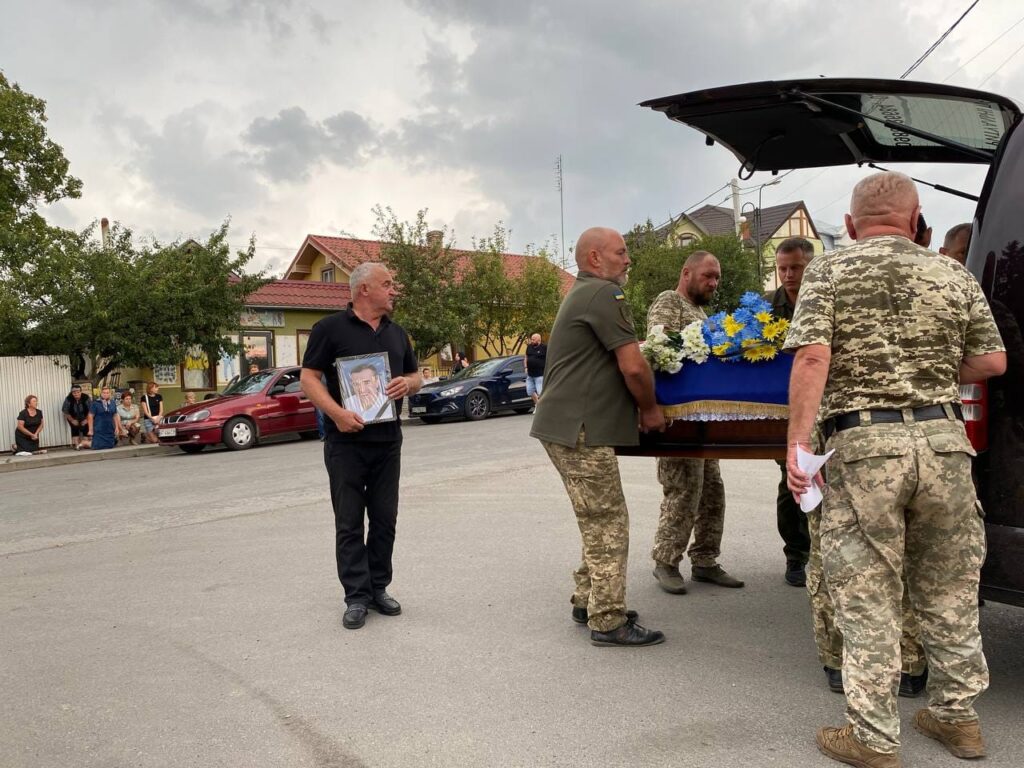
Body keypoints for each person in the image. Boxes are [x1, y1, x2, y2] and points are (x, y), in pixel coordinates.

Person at [785, 171, 1005, 765]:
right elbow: (991, 360)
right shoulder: (952, 273)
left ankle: (874, 739)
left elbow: (811, 358)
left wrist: (797, 446)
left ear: (852, 226)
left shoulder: (831, 270)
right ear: (916, 221)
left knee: (867, 591)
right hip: (944, 446)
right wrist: (923, 377)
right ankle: (958, 719)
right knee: (950, 589)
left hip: (865, 449)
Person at [531, 226, 667, 647]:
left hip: (566, 426)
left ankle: (587, 598)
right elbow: (632, 366)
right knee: (608, 520)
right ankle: (607, 619)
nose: (628, 260)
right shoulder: (605, 294)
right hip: (580, 430)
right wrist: (650, 409)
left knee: (596, 518)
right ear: (594, 258)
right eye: (620, 252)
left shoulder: (582, 293)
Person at [300, 262, 421, 631]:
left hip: (388, 442)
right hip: (345, 443)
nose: (393, 290)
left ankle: (378, 587)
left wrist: (409, 385)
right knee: (350, 522)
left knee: (385, 519)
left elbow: (416, 374)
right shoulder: (329, 330)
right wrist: (337, 413)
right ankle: (356, 596)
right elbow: (308, 378)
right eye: (387, 284)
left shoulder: (397, 334)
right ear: (363, 289)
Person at [649, 251, 744, 594]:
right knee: (684, 489)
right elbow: (660, 347)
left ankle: (704, 560)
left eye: (716, 277)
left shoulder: (701, 312)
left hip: (703, 420)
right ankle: (666, 561)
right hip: (679, 419)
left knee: (712, 492)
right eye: (708, 276)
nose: (713, 283)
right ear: (686, 272)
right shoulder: (669, 301)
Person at [764, 238, 814, 587]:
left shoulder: (825, 300)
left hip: (827, 401)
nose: (788, 275)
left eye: (795, 267)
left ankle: (824, 551)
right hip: (784, 406)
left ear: (810, 265)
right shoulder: (767, 307)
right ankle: (795, 555)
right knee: (791, 481)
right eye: (782, 268)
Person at [87, 386, 122, 450]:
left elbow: (115, 415)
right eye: (104, 393)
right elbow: (90, 416)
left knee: (110, 446)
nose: (106, 394)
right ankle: (84, 443)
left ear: (110, 394)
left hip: (109, 429)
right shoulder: (95, 403)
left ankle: (89, 443)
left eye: (107, 393)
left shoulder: (112, 403)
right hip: (99, 429)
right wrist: (90, 429)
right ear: (101, 393)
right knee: (97, 446)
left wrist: (116, 427)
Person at [62, 384, 91, 449]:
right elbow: (65, 411)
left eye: (78, 392)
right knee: (75, 429)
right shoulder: (68, 399)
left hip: (85, 416)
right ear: (71, 393)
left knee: (85, 428)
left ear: (81, 392)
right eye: (74, 392)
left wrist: (87, 419)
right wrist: (72, 420)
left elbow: (91, 410)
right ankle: (76, 445)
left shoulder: (86, 397)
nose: (76, 394)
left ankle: (85, 444)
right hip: (73, 417)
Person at [524, 333, 547, 405]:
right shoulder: (529, 347)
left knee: (540, 392)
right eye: (531, 339)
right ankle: (538, 404)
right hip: (530, 374)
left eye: (533, 339)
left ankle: (544, 407)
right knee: (530, 391)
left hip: (540, 374)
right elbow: (526, 357)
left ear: (539, 340)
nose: (531, 341)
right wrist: (525, 367)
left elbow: (549, 359)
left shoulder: (544, 348)